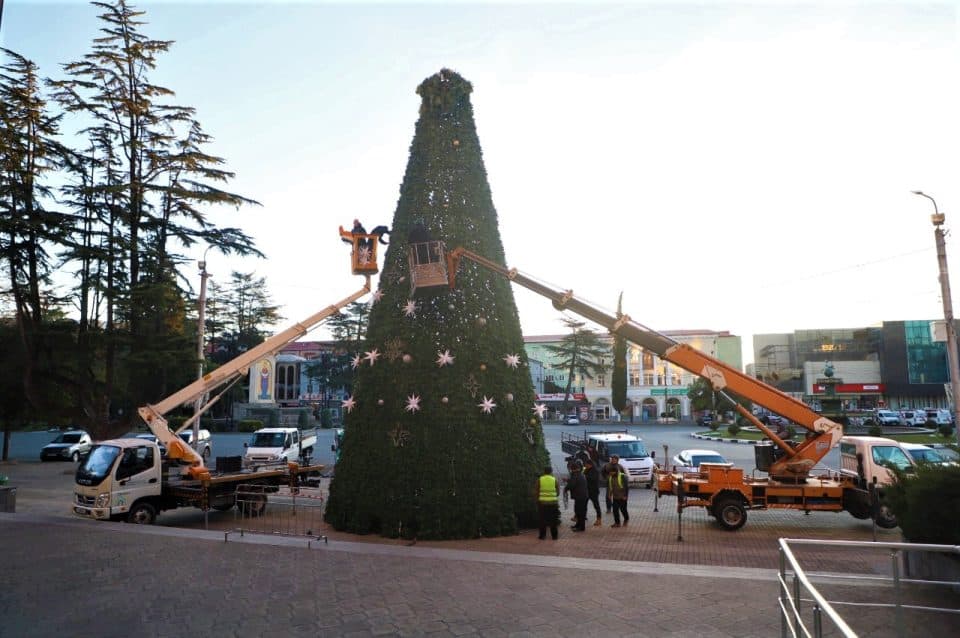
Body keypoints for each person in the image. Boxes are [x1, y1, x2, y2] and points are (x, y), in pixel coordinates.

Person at [536, 465, 560, 540]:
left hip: (542, 503)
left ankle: (542, 536)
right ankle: (554, 536)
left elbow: (537, 491)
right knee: (553, 520)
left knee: (542, 520)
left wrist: (538, 499)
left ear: (544, 472)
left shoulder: (540, 480)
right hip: (553, 503)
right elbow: (558, 492)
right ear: (551, 472)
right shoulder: (554, 480)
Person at [564, 460, 588, 532]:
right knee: (578, 511)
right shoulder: (579, 474)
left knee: (580, 512)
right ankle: (578, 524)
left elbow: (572, 485)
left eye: (570, 469)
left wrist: (566, 488)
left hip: (580, 496)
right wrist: (568, 480)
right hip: (582, 496)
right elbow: (574, 482)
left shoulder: (575, 475)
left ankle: (581, 527)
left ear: (573, 469)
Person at [607, 454, 630, 528]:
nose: (610, 474)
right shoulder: (611, 477)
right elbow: (611, 487)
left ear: (615, 472)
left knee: (623, 509)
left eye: (612, 473)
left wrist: (625, 496)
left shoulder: (622, 476)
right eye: (610, 473)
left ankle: (626, 519)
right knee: (615, 510)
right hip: (615, 496)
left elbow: (626, 487)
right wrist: (609, 494)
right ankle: (617, 523)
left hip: (622, 496)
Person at [582, 454, 603, 526]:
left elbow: (592, 479)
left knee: (596, 505)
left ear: (590, 464)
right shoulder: (586, 470)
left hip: (593, 491)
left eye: (586, 464)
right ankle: (582, 517)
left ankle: (599, 519)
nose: (585, 465)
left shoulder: (595, 471)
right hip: (586, 490)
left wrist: (585, 476)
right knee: (583, 505)